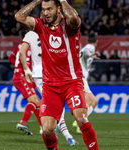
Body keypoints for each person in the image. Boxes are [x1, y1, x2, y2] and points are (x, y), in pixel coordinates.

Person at [15, 0, 99, 149]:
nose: (45, 13)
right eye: (43, 9)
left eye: (49, 9)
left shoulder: (70, 25)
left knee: (81, 119)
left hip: (72, 82)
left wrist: (63, 0)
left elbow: (73, 17)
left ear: (59, 9)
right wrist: (36, 1)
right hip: (50, 85)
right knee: (47, 130)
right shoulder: (40, 25)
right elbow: (19, 17)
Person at [19, 30, 78, 146]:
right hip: (51, 73)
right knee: (58, 105)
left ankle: (60, 133)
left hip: (37, 75)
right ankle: (67, 136)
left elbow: (22, 53)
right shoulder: (53, 31)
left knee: (55, 105)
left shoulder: (30, 34)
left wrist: (27, 71)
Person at [8, 43, 41, 136]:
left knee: (38, 102)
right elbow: (28, 64)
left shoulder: (19, 46)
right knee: (34, 101)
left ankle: (42, 128)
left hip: (20, 76)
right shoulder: (29, 49)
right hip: (22, 77)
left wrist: (17, 67)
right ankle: (23, 123)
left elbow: (11, 57)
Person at [72, 33, 100, 134]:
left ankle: (79, 121)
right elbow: (87, 52)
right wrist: (91, 54)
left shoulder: (85, 47)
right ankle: (80, 122)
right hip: (81, 78)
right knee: (93, 101)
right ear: (96, 41)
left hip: (81, 77)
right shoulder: (90, 47)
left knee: (90, 102)